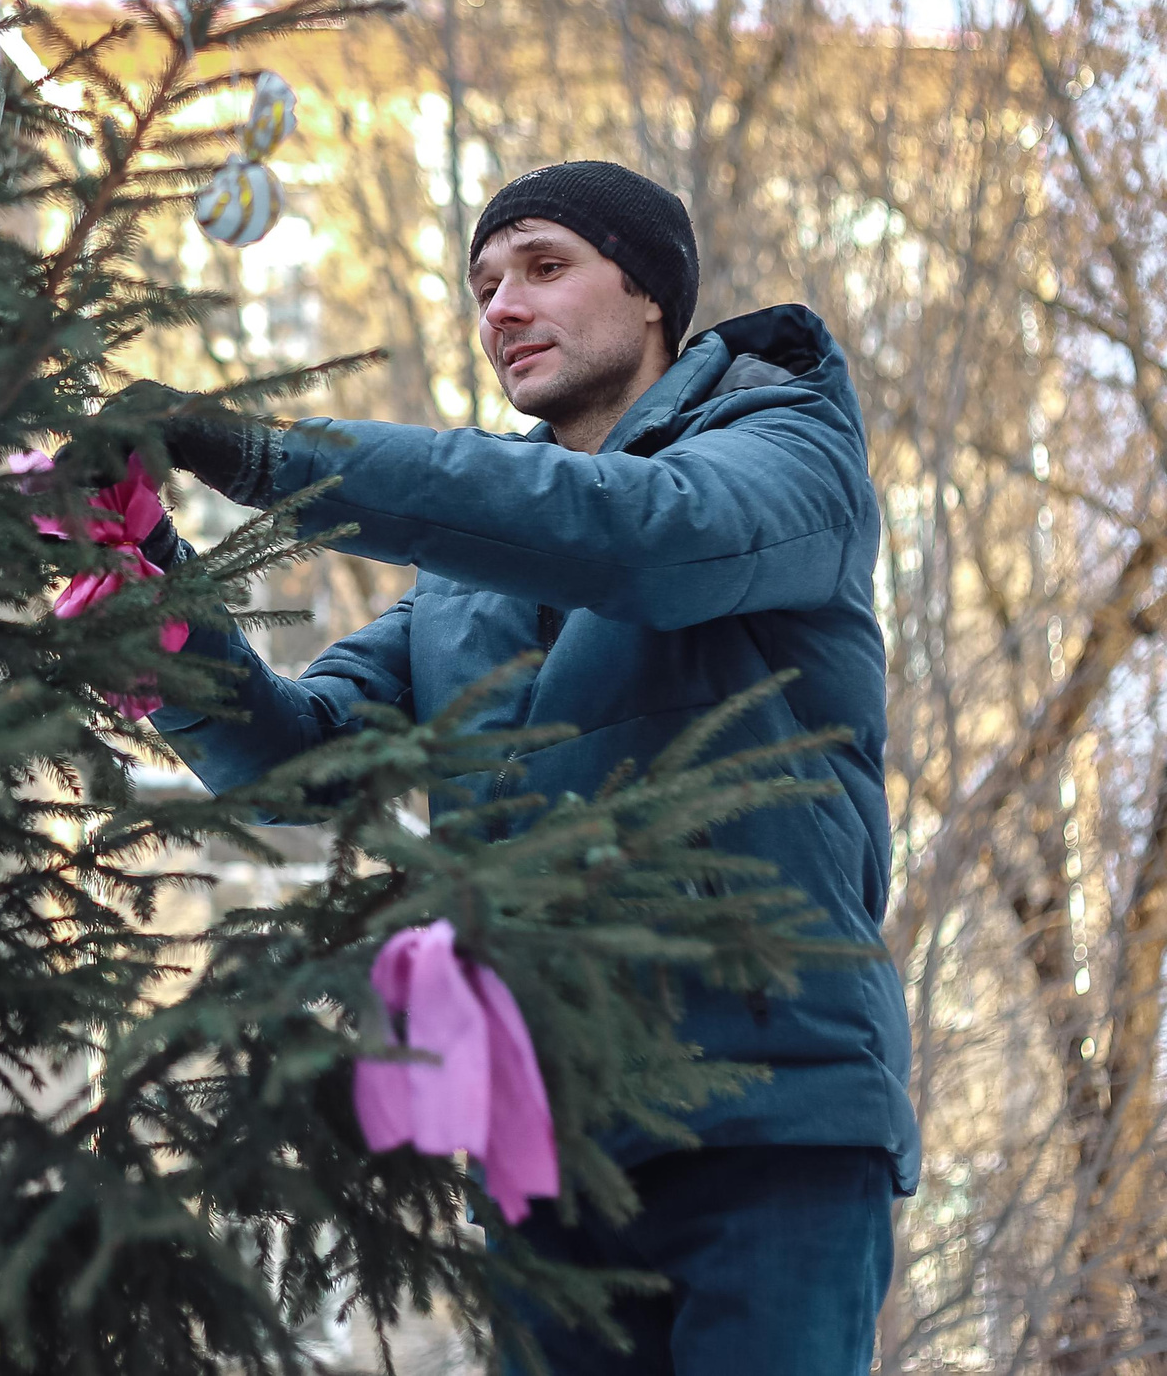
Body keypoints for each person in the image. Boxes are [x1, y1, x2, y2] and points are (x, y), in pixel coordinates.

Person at [129, 160, 916, 1375]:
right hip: (542, 1148)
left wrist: (264, 454)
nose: (502, 306)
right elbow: (298, 765)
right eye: (485, 284)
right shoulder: (464, 578)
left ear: (649, 294)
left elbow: (641, 538)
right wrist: (146, 590)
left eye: (544, 268)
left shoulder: (786, 452)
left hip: (772, 1119)